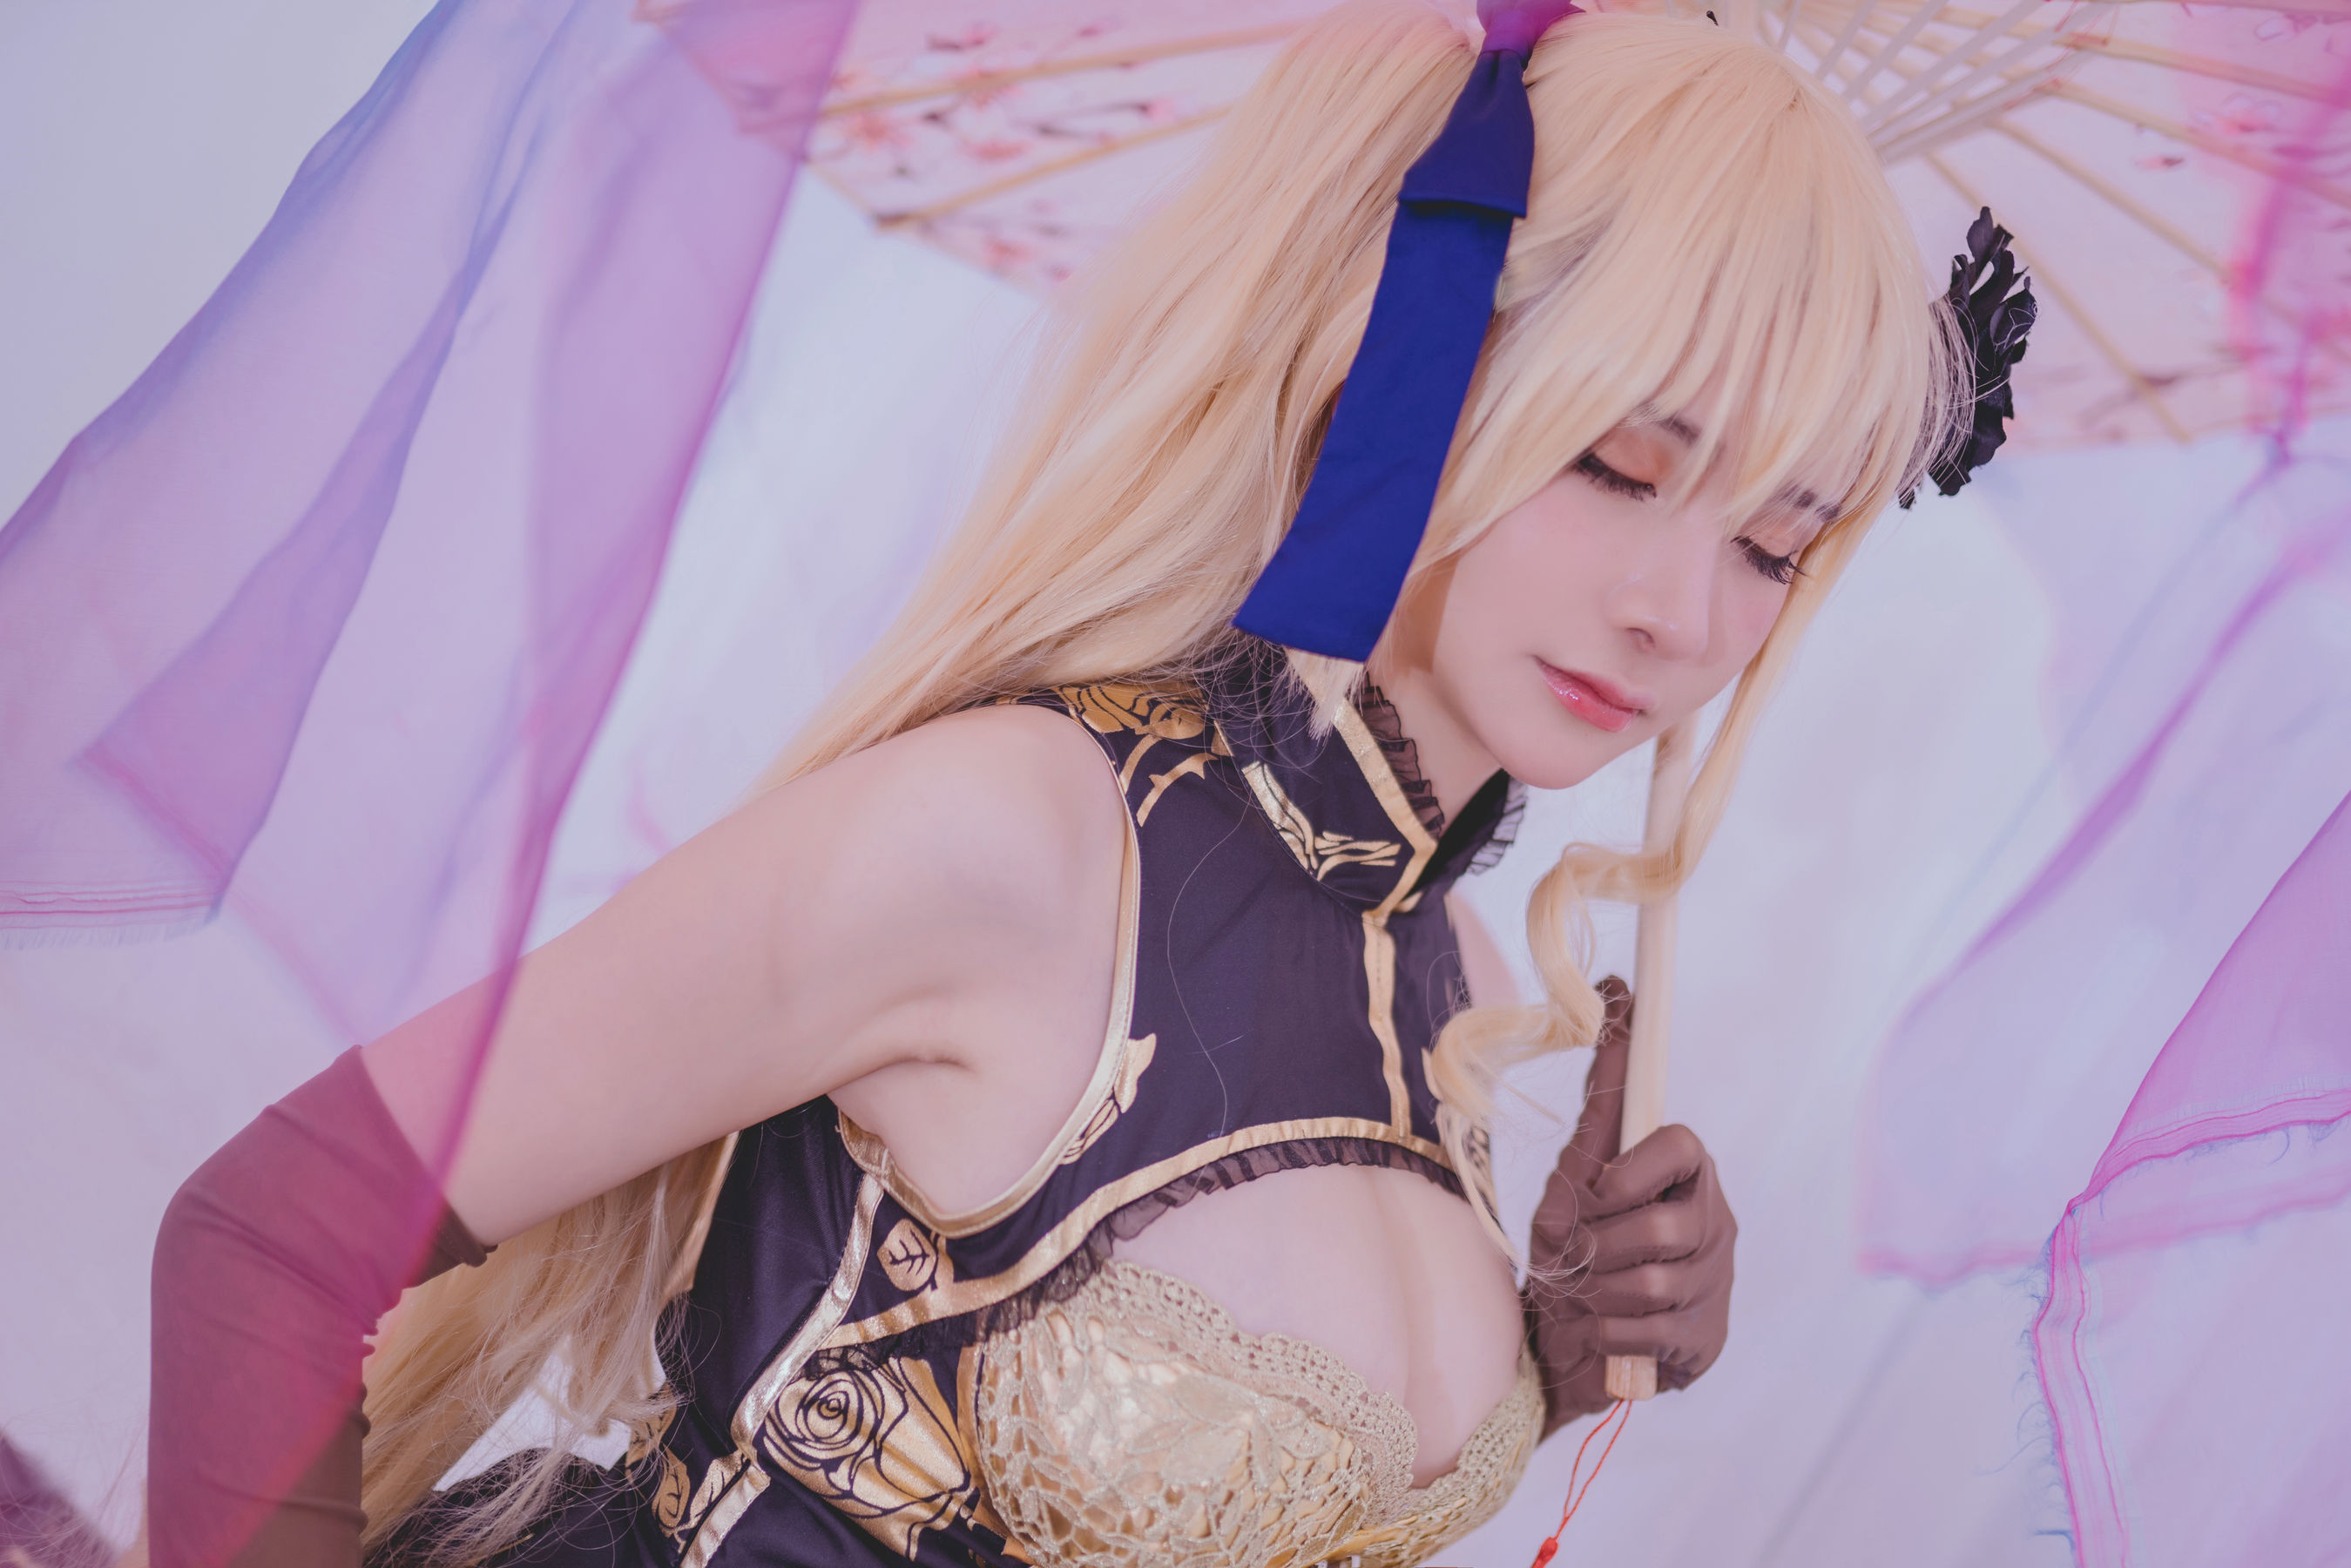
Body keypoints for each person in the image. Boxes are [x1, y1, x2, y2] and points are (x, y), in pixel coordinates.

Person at [146, 2, 1975, 1565]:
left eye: (1776, 543)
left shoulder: (1461, 987)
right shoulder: (1016, 838)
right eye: (1623, 467)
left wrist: (1556, 1355)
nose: (1681, 615)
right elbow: (270, 1235)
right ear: (1407, 372)